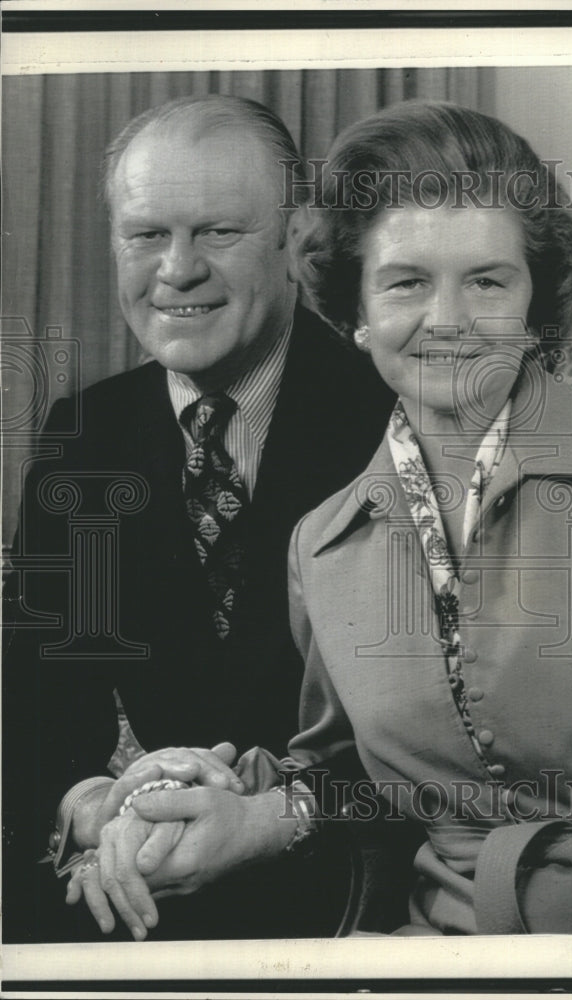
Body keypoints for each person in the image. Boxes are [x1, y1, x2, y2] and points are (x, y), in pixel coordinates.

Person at [67, 100, 572, 937]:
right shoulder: (326, 541)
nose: (446, 319)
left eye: (486, 280)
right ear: (355, 313)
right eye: (406, 282)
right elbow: (344, 773)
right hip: (418, 948)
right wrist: (195, 788)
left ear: (536, 299)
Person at [1, 94, 394, 942]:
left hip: (342, 881)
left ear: (294, 240)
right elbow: (33, 700)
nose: (177, 270)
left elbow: (442, 742)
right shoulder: (87, 435)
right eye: (146, 235)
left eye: (219, 232)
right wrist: (93, 804)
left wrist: (267, 813)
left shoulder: (388, 416)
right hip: (138, 867)